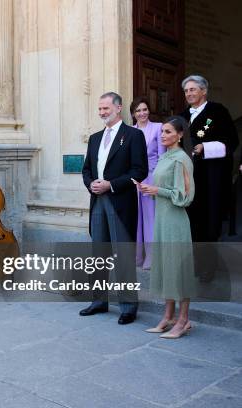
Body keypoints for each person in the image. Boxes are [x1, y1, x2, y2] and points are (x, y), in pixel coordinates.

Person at [80, 92, 148, 325]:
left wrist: (111, 184)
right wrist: (91, 184)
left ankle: (128, 306)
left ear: (118, 108)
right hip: (97, 201)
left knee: (123, 256)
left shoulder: (134, 135)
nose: (102, 113)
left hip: (120, 202)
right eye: (99, 109)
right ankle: (99, 301)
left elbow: (140, 171)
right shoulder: (95, 138)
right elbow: (86, 169)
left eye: (106, 109)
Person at [139, 116, 196, 338]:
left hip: (175, 221)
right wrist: (150, 189)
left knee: (178, 270)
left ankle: (183, 320)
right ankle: (168, 316)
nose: (163, 135)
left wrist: (156, 191)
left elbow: (185, 196)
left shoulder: (182, 159)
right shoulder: (165, 158)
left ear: (180, 135)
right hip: (162, 219)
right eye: (162, 131)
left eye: (169, 132)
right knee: (166, 268)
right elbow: (164, 188)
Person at [180, 75, 238, 281]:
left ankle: (208, 268)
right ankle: (195, 264)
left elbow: (232, 141)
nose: (189, 94)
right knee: (191, 223)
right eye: (186, 91)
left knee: (209, 223)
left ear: (204, 91)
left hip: (211, 177)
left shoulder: (217, 111)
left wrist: (206, 147)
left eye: (193, 90)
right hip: (188, 176)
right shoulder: (182, 115)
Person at [130, 97, 165, 269]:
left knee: (151, 219)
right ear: (133, 114)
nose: (142, 113)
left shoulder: (158, 128)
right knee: (135, 219)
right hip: (133, 179)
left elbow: (162, 156)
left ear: (149, 111)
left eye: (144, 109)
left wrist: (158, 182)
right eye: (138, 111)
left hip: (152, 177)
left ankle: (151, 258)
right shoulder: (129, 131)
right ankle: (137, 257)